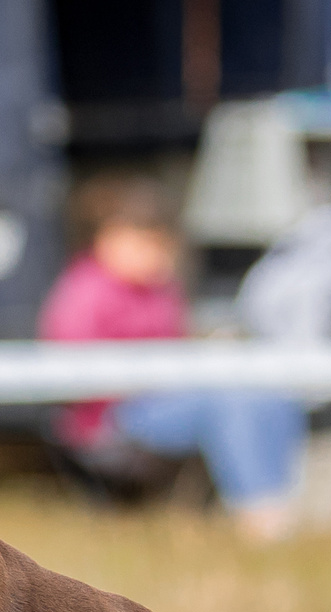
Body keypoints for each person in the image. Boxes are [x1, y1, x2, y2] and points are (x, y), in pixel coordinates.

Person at [37, 179, 304, 541]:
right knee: (228, 403)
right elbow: (72, 372)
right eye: (146, 243)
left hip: (161, 403)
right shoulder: (84, 291)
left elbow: (177, 347)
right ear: (110, 238)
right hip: (110, 419)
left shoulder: (162, 291)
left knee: (267, 395)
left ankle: (281, 501)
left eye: (162, 245)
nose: (157, 255)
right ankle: (258, 517)